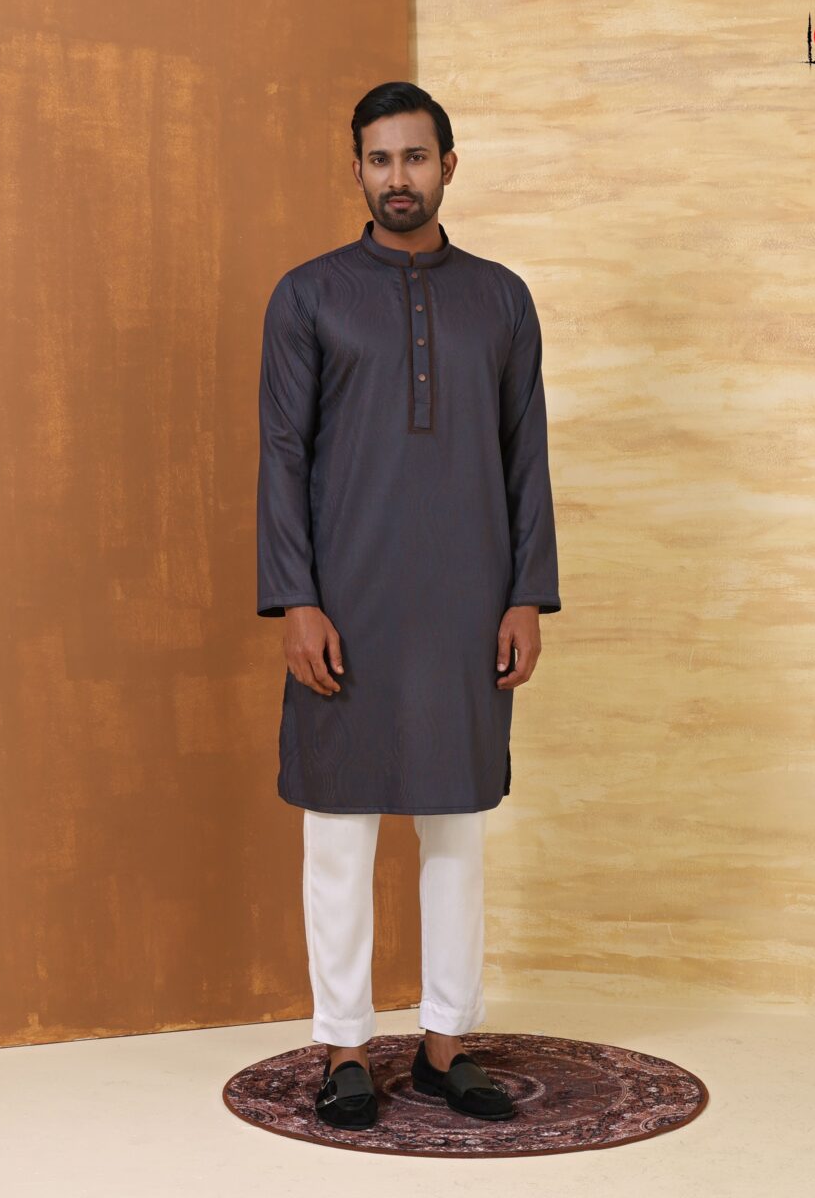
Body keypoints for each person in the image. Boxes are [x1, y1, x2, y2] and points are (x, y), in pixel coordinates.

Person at [256, 81, 561, 1130]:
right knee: (339, 830)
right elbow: (282, 456)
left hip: (468, 599)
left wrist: (526, 594)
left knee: (455, 827)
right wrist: (296, 599)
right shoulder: (308, 296)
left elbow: (526, 456)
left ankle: (445, 1044)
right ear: (357, 170)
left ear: (448, 166)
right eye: (380, 159)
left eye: (416, 158)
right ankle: (344, 1047)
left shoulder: (501, 299)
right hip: (345, 599)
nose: (399, 177)